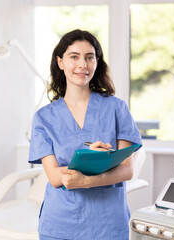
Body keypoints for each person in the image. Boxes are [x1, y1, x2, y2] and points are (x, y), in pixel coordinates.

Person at [28, 29, 142, 240]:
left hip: (108, 223)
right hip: (60, 224)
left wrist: (84, 180)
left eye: (90, 57)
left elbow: (127, 170)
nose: (83, 64)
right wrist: (90, 159)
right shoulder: (44, 118)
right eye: (74, 57)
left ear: (97, 63)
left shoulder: (117, 109)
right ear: (60, 62)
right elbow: (54, 177)